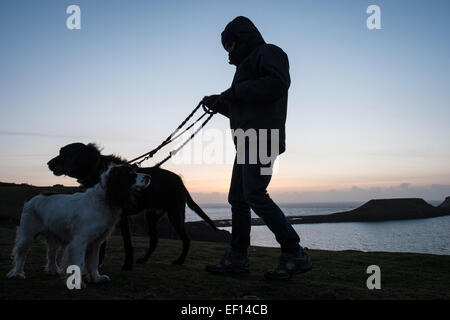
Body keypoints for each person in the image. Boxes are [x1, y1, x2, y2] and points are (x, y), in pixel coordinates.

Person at [203, 16, 312, 280]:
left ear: (242, 38)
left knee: (254, 194)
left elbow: (277, 83)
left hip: (264, 138)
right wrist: (220, 105)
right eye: (225, 46)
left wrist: (233, 93)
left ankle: (294, 253)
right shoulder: (243, 69)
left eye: (230, 44)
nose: (228, 50)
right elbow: (244, 107)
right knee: (238, 198)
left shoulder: (269, 52)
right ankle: (237, 258)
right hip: (248, 141)